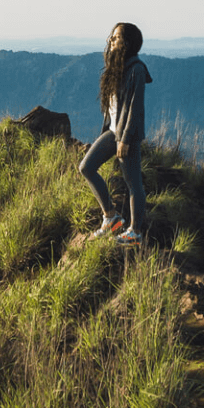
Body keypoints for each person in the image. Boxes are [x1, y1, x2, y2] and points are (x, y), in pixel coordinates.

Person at [78, 22, 152, 245]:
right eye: (112, 36)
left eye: (116, 37)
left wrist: (125, 140)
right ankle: (111, 217)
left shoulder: (136, 70)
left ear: (127, 43)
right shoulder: (118, 68)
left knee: (133, 183)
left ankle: (135, 232)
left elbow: (134, 108)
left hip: (126, 135)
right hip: (113, 132)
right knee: (86, 167)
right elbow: (113, 109)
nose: (111, 40)